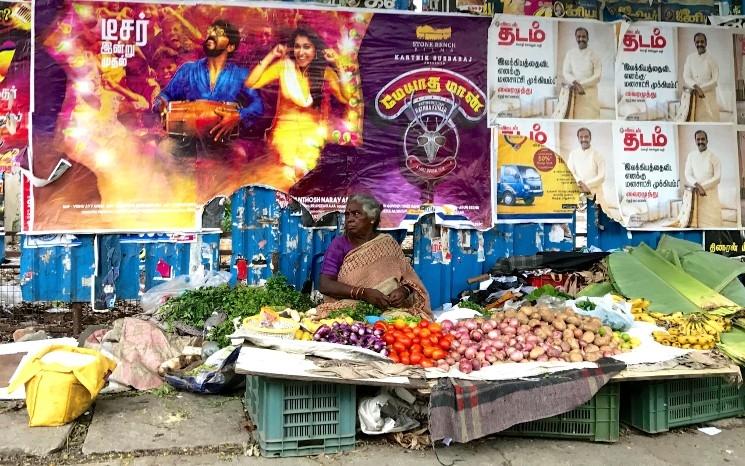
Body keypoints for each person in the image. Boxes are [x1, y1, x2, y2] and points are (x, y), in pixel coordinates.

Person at [246, 27, 353, 181]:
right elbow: (251, 83)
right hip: (284, 140)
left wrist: (338, 65)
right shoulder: (284, 67)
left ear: (315, 50)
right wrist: (271, 55)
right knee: (285, 182)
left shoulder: (324, 73)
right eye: (297, 46)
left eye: (306, 47)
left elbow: (347, 98)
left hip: (312, 141)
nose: (301, 52)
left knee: (307, 185)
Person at [318, 194, 432, 319]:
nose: (349, 219)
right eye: (347, 214)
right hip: (349, 312)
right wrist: (363, 293)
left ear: (372, 218)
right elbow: (325, 285)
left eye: (356, 214)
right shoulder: (339, 245)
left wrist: (404, 291)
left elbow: (410, 281)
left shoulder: (388, 244)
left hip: (390, 310)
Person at [153, 20, 264, 144]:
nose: (211, 35)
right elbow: (164, 96)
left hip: (226, 143)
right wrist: (161, 106)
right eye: (210, 32)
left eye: (218, 33)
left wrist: (239, 116)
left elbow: (258, 106)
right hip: (188, 142)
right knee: (164, 150)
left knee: (240, 156)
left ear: (230, 46)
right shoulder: (188, 70)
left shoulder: (241, 75)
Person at [562, 27, 601, 119]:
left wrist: (580, 84)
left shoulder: (594, 55)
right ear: (575, 38)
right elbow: (566, 72)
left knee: (591, 118)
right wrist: (574, 82)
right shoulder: (570, 53)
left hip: (590, 94)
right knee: (576, 117)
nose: (581, 39)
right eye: (578, 36)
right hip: (576, 92)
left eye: (583, 36)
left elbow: (597, 76)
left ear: (588, 38)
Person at [685, 130, 722, 227]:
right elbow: (687, 174)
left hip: (710, 195)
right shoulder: (691, 156)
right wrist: (697, 185)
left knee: (714, 224)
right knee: (699, 223)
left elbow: (717, 178)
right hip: (697, 194)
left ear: (707, 141)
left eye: (703, 139)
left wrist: (703, 187)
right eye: (698, 139)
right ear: (695, 141)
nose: (700, 141)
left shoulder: (714, 157)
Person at [683, 33, 720, 122]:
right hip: (695, 94)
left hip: (708, 95)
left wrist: (701, 89)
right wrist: (696, 87)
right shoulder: (690, 58)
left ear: (706, 43)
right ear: (694, 43)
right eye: (697, 42)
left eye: (702, 42)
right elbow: (686, 76)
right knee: (695, 118)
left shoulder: (712, 59)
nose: (700, 44)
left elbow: (715, 80)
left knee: (710, 119)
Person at [566, 127, 606, 208]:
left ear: (590, 138)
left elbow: (602, 176)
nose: (584, 139)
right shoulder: (573, 154)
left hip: (595, 192)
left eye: (586, 137)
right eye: (581, 137)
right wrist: (580, 182)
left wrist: (587, 185)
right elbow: (570, 172)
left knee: (600, 217)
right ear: (578, 139)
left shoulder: (598, 154)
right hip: (579, 190)